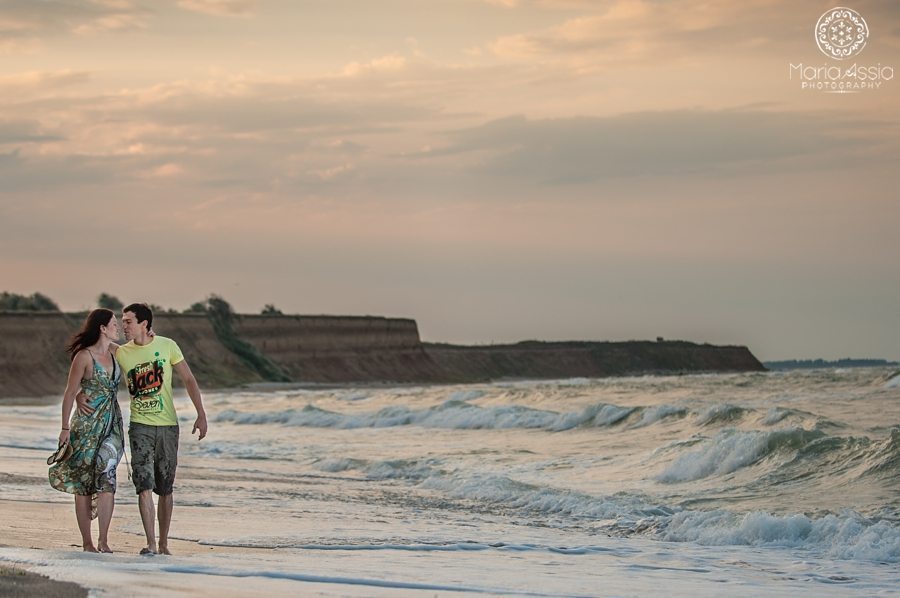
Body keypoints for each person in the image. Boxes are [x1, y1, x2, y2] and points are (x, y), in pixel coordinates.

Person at [78, 302, 208, 555]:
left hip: (169, 426)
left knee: (166, 488)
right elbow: (91, 357)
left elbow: (189, 379)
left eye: (128, 321)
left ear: (144, 324)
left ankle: (163, 544)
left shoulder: (167, 346)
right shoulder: (121, 351)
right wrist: (77, 395)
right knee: (144, 485)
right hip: (140, 427)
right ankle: (150, 543)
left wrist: (201, 414)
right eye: (122, 321)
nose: (123, 325)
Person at [50, 308, 125, 553]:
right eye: (114, 324)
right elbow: (70, 392)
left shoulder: (116, 352)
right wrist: (64, 428)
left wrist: (151, 334)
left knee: (108, 476)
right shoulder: (84, 356)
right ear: (102, 328)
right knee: (83, 483)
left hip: (112, 425)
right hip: (85, 426)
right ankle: (88, 543)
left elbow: (140, 351)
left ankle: (104, 540)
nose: (118, 327)